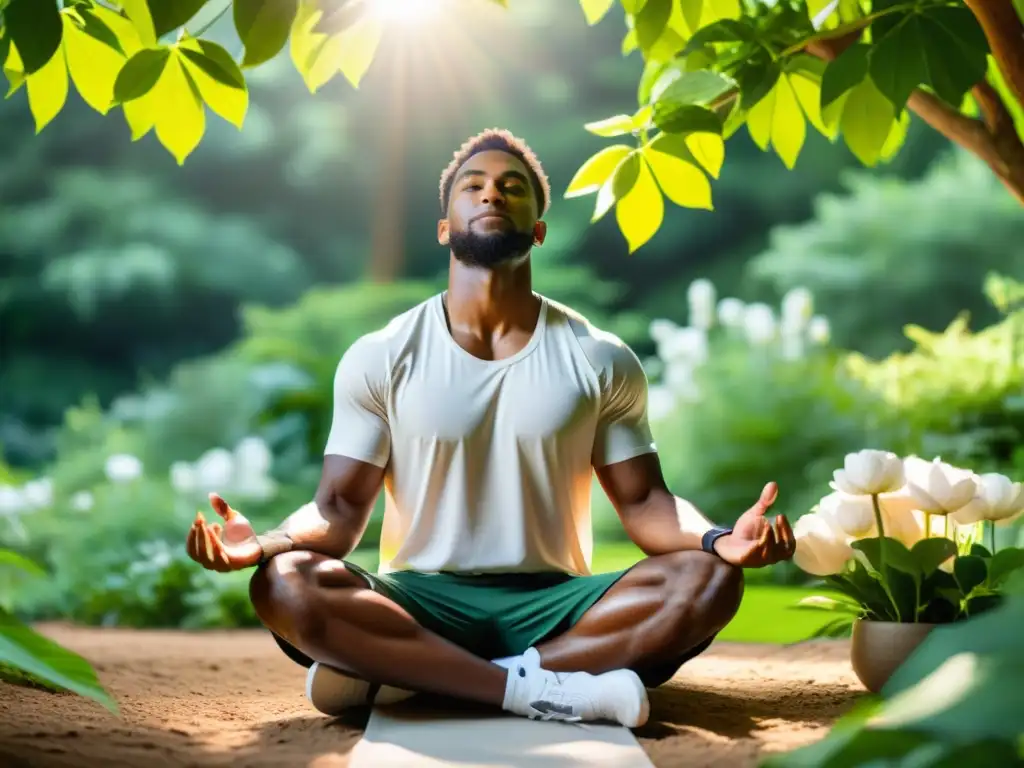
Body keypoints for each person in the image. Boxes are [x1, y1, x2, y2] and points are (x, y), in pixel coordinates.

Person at [184, 128, 796, 728]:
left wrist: (718, 540)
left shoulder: (600, 357)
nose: (492, 194)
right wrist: (265, 544)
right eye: (472, 186)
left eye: (512, 187)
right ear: (445, 227)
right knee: (285, 585)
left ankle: (405, 676)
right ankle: (533, 688)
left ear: (538, 228)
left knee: (708, 580)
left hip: (555, 604)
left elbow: (645, 502)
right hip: (421, 600)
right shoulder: (382, 355)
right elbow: (338, 509)